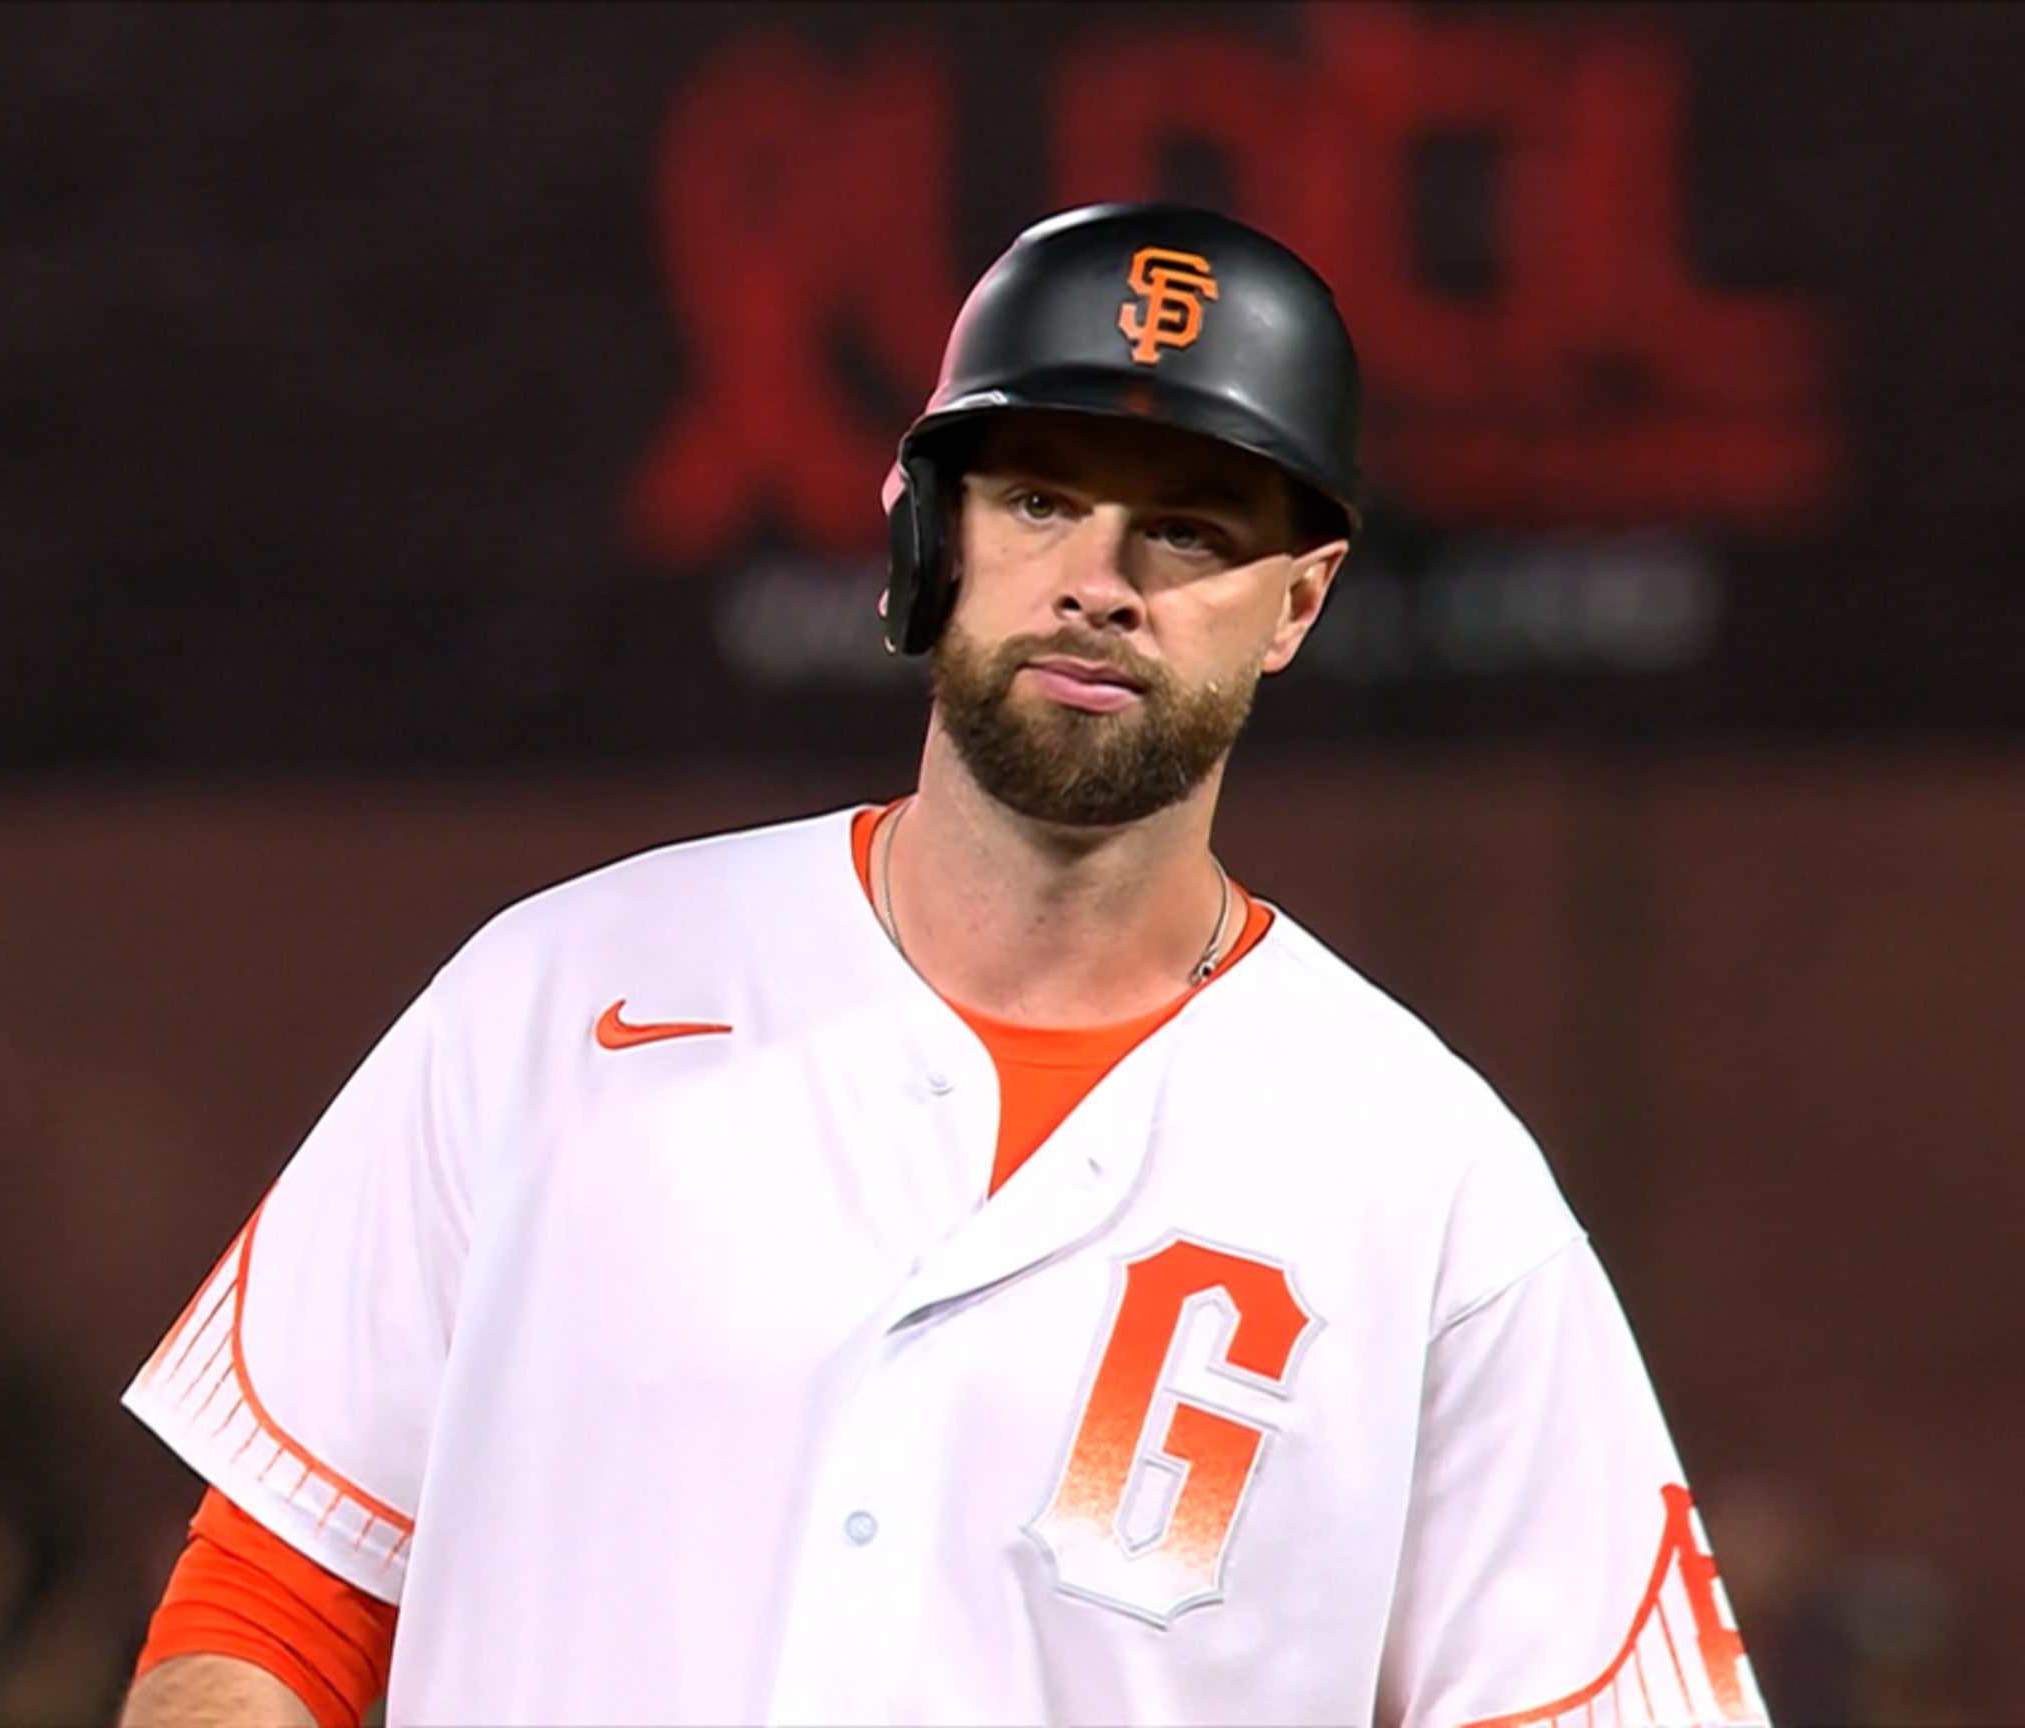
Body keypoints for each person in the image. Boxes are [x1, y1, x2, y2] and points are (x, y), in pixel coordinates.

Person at [116, 203, 1767, 1727]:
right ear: (933, 538)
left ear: (1298, 603)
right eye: (1042, 499)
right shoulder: (557, 1001)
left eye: (1188, 533)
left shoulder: (1428, 1179)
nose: (1101, 584)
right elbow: (279, 1605)